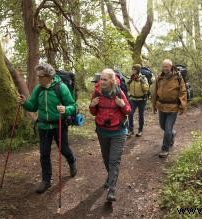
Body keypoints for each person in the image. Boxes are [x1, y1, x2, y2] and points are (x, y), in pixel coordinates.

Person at [18, 62, 77, 194]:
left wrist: (65, 109)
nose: (38, 79)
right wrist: (24, 103)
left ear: (49, 76)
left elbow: (73, 106)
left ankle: (72, 161)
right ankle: (46, 180)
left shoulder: (61, 88)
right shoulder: (38, 89)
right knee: (44, 154)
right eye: (37, 76)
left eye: (40, 76)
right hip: (43, 125)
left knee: (64, 149)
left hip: (59, 125)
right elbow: (32, 106)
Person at [89, 68, 131, 202]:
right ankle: (110, 176)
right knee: (106, 158)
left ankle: (111, 190)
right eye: (101, 79)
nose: (101, 81)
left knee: (114, 161)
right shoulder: (96, 92)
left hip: (118, 131)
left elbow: (128, 111)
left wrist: (123, 105)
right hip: (102, 131)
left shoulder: (119, 92)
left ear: (112, 81)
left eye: (105, 79)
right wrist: (92, 105)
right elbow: (93, 113)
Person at [151, 59, 187, 158]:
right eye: (163, 66)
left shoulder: (178, 78)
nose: (165, 68)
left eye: (166, 66)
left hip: (172, 107)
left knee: (167, 129)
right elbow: (155, 92)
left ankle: (165, 149)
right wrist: (154, 105)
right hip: (161, 106)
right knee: (163, 126)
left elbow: (183, 92)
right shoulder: (160, 78)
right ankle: (172, 134)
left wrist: (182, 106)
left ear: (171, 67)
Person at [127, 64, 149, 137]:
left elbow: (146, 89)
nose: (132, 70)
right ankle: (131, 130)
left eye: (134, 69)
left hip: (142, 100)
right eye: (132, 69)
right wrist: (128, 83)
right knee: (130, 114)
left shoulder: (143, 78)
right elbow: (127, 88)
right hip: (133, 99)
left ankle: (140, 130)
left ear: (137, 70)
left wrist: (142, 82)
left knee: (141, 115)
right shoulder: (131, 78)